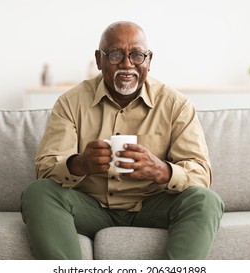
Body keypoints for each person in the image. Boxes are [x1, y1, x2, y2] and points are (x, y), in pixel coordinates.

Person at [21, 21, 224, 260]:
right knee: (38, 192)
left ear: (149, 60)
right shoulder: (70, 103)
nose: (127, 65)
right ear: (99, 60)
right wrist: (79, 164)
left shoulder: (176, 105)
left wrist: (162, 171)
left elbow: (201, 174)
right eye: (116, 55)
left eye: (137, 55)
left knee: (206, 200)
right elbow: (44, 170)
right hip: (90, 207)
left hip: (152, 206)